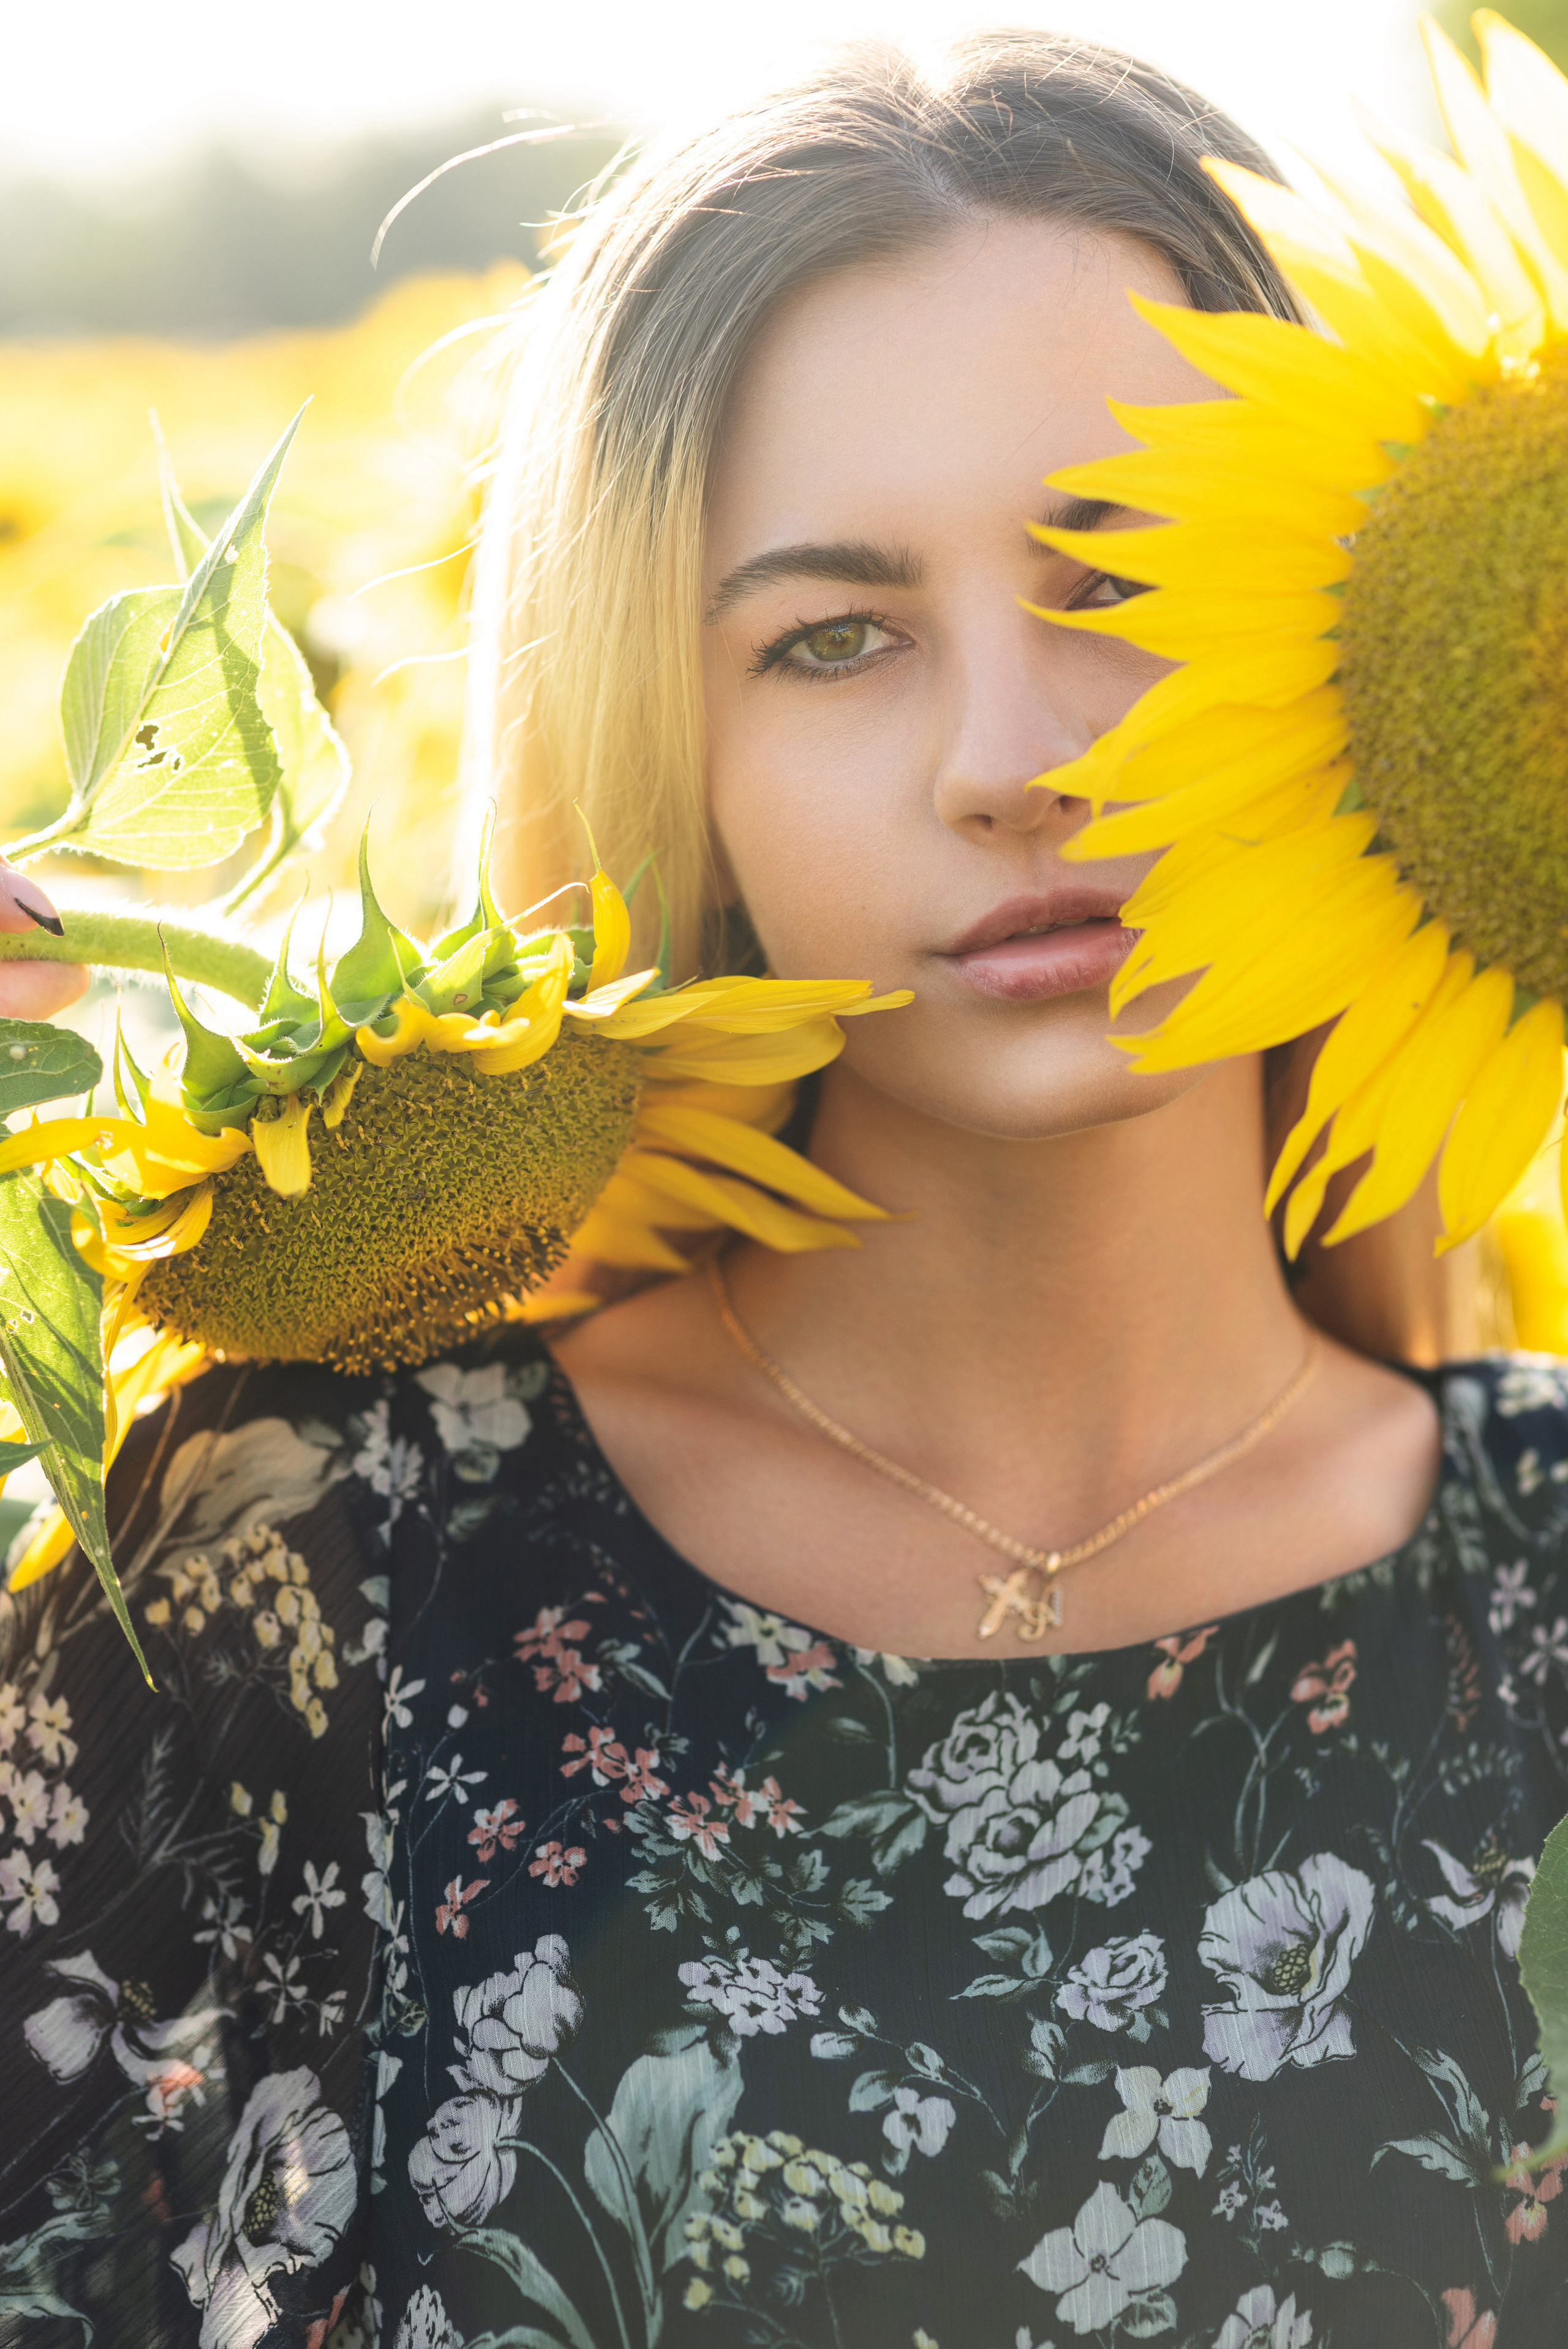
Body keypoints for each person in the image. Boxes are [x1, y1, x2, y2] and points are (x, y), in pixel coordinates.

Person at [2, 31, 1566, 2349]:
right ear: (670, 734)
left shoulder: (1534, 1585)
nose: (1007, 759)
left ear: (1363, 611)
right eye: (831, 638)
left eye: (1124, 575)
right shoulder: (305, 1554)